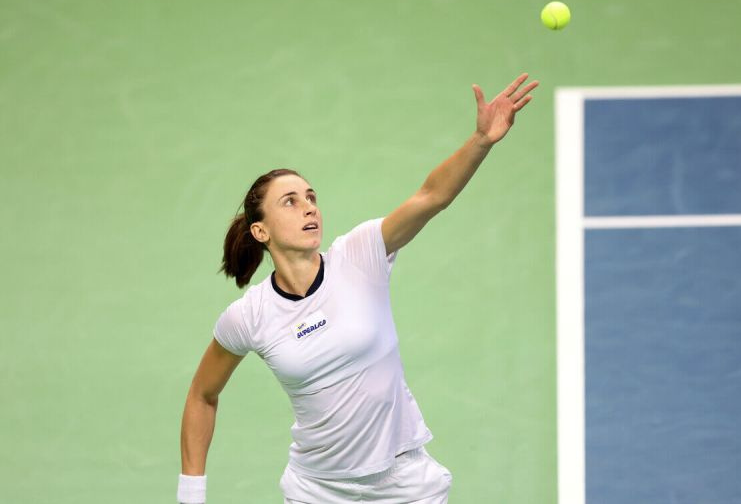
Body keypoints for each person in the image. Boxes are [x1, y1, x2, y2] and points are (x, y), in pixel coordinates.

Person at [177, 73, 539, 503]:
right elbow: (202, 395)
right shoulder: (249, 316)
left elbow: (431, 197)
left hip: (404, 485)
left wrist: (481, 141)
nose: (309, 208)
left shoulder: (360, 254)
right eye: (290, 201)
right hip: (318, 491)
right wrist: (190, 495)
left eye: (311, 197)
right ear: (261, 231)